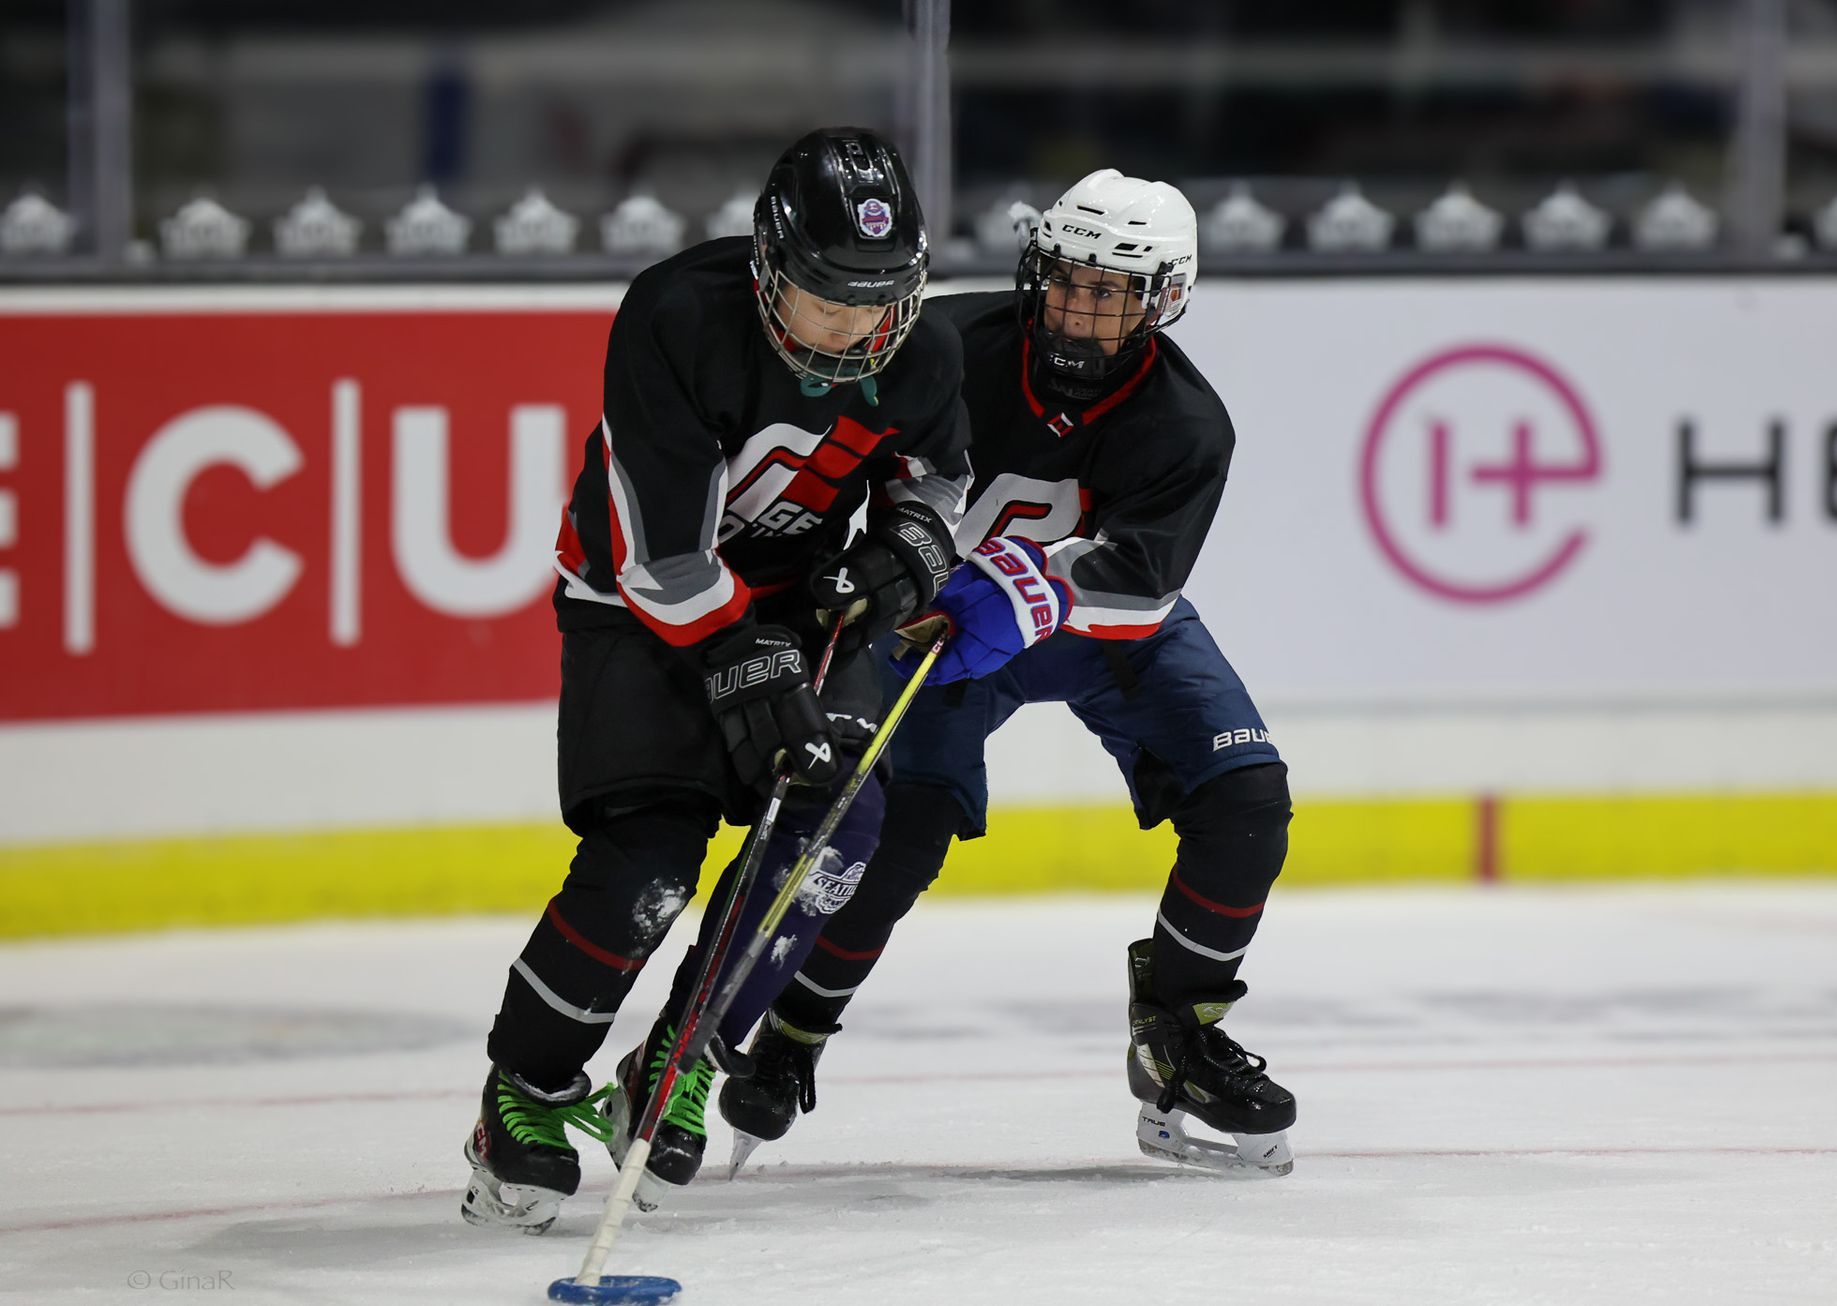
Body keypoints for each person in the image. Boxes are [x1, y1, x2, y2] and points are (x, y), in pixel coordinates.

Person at [722, 169, 1297, 1176]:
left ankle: (1179, 1033)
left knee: (1247, 795)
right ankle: (796, 1037)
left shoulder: (1189, 423)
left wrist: (1027, 589)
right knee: (897, 838)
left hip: (1099, 629)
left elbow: (1145, 584)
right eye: (1068, 280)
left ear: (1161, 298)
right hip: (939, 628)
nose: (1080, 308)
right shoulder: (946, 343)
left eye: (1110, 291)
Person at [460, 127, 970, 1233]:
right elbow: (661, 556)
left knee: (836, 821)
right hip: (634, 608)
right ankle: (526, 1094)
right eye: (823, 295)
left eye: (877, 298)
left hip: (793, 609)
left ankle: (681, 1057)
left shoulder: (919, 352)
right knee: (647, 863)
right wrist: (746, 656)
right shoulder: (677, 316)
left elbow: (941, 483)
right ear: (766, 270)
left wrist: (903, 556)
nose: (849, 327)